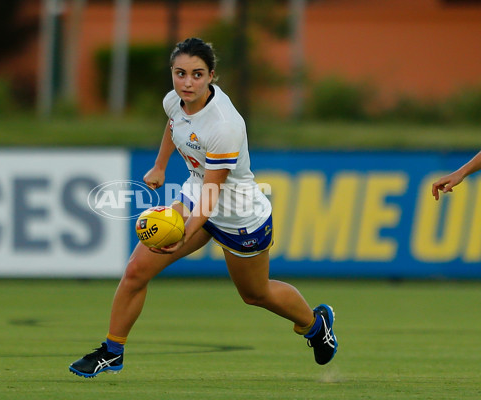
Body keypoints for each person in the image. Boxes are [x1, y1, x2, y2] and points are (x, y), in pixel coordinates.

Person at [69, 38, 338, 378]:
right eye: (180, 73)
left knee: (255, 294)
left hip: (239, 215)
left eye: (197, 75)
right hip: (196, 194)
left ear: (212, 76)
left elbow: (213, 196)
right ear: (172, 73)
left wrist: (183, 238)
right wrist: (160, 166)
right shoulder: (175, 100)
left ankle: (315, 325)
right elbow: (173, 125)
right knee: (136, 269)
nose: (187, 82)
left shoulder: (224, 126)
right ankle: (112, 351)